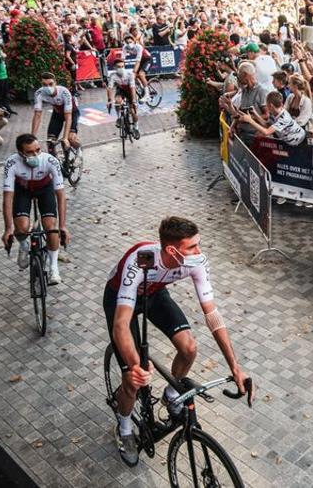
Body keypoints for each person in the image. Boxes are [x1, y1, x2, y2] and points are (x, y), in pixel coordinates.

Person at [105, 216, 252, 465]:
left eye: (198, 244)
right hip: (120, 300)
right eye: (192, 247)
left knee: (189, 348)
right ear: (173, 250)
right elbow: (121, 326)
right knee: (133, 378)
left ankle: (172, 394)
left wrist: (235, 368)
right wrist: (135, 365)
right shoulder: (142, 260)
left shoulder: (196, 262)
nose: (199, 251)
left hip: (155, 294)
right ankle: (125, 427)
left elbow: (212, 315)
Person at [0, 134, 68, 285]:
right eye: (30, 152)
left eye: (38, 149)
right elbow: (8, 198)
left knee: (51, 228)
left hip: (44, 189)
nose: (36, 154)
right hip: (22, 190)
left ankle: (54, 268)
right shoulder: (12, 163)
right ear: (20, 153)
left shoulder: (50, 160)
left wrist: (63, 226)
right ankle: (24, 246)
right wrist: (8, 229)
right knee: (22, 228)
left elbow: (61, 196)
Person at [30, 73, 77, 155]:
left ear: (55, 83)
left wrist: (65, 138)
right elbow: (37, 115)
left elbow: (68, 117)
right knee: (50, 143)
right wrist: (32, 136)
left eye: (50, 84)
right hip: (57, 114)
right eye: (44, 84)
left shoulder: (64, 92)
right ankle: (55, 164)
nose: (48, 87)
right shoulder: (39, 93)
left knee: (70, 138)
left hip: (72, 113)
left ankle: (79, 151)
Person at [237, 90, 305, 146]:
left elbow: (266, 132)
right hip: (289, 141)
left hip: (300, 142)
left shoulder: (284, 118)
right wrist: (255, 114)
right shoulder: (274, 113)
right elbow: (267, 125)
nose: (266, 107)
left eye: (266, 105)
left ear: (271, 106)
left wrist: (250, 121)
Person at [107, 61, 139, 128]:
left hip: (130, 90)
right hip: (121, 89)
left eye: (122, 66)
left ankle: (136, 127)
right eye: (118, 67)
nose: (121, 68)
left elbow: (132, 88)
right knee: (117, 101)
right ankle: (119, 117)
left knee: (133, 111)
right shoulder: (112, 75)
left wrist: (133, 101)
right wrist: (109, 100)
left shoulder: (129, 74)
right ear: (114, 68)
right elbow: (110, 88)